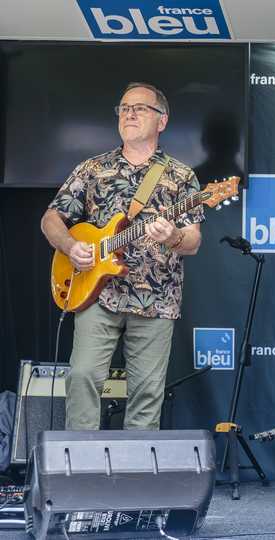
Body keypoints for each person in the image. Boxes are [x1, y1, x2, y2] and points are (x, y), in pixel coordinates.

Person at [40, 82, 204, 430]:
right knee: (82, 376)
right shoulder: (92, 169)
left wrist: (173, 236)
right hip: (97, 295)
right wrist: (70, 246)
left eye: (140, 108)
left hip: (157, 300)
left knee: (147, 394)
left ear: (162, 121)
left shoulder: (181, 176)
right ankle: (79, 460)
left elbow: (192, 241)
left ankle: (137, 464)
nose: (129, 113)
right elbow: (51, 219)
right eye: (124, 108)